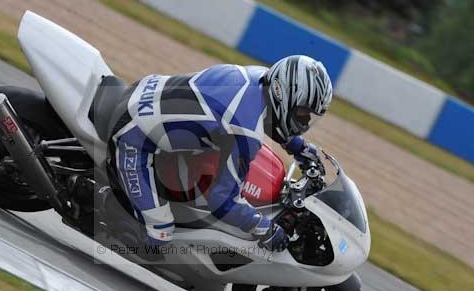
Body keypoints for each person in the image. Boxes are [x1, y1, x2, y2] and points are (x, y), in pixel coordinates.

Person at [108, 55, 333, 252]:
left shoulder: (259, 78)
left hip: (147, 91)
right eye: (303, 113)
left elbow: (271, 120)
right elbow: (221, 201)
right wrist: (264, 228)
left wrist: (300, 148)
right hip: (132, 136)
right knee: (161, 235)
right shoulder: (245, 130)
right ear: (281, 93)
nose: (304, 122)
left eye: (309, 117)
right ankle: (108, 224)